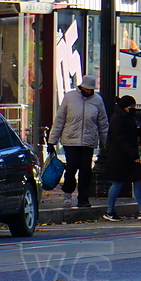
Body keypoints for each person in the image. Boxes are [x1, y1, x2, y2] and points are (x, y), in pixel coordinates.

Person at [47, 75, 109, 208]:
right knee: (72, 167)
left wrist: (105, 142)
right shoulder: (69, 97)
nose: (89, 92)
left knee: (86, 170)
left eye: (91, 90)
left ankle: (83, 198)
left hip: (88, 140)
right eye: (87, 89)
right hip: (70, 140)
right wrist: (52, 141)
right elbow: (60, 120)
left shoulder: (97, 100)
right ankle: (68, 193)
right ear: (81, 87)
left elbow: (103, 123)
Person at [103, 95, 141, 221]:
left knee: (137, 181)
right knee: (118, 183)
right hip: (121, 156)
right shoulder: (117, 118)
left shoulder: (125, 116)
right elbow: (119, 138)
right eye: (131, 106)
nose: (133, 109)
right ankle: (110, 211)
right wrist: (133, 153)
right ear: (125, 106)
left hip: (127, 154)